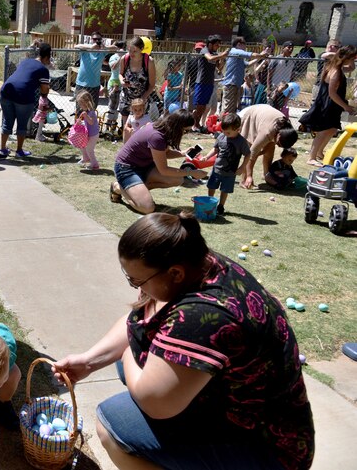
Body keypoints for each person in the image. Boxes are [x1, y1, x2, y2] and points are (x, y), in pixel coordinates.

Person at [52, 212, 314, 470]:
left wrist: (127, 353)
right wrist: (89, 362)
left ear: (174, 273)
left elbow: (154, 403)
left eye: (136, 280)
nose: (134, 286)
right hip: (250, 416)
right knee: (133, 364)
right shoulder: (197, 263)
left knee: (112, 422)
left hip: (268, 450)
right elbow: (140, 320)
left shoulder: (201, 315)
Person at [110, 110, 207, 214]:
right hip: (126, 168)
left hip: (145, 166)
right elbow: (164, 170)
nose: (185, 133)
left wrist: (182, 153)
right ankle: (118, 187)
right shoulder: (156, 136)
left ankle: (137, 190)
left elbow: (164, 153)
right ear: (178, 127)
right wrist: (191, 173)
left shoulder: (163, 129)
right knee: (148, 208)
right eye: (185, 130)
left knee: (177, 179)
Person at [300, 45, 357, 167]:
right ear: (345, 58)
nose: (353, 60)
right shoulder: (335, 71)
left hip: (333, 106)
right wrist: (346, 107)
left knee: (332, 129)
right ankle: (311, 157)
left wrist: (351, 59)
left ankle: (320, 152)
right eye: (351, 57)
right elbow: (332, 93)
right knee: (323, 131)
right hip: (328, 105)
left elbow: (351, 67)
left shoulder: (338, 67)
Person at [0, 42, 51, 158]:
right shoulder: (43, 70)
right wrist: (46, 91)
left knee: (7, 122)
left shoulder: (26, 61)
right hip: (23, 96)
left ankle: (2, 149)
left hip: (6, 91)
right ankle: (19, 151)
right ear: (47, 57)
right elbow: (44, 89)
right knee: (21, 125)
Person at [200, 113, 251, 215]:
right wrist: (207, 157)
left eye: (228, 132)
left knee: (225, 189)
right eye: (223, 131)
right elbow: (215, 149)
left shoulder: (241, 142)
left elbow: (248, 155)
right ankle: (211, 202)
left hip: (230, 172)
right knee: (211, 186)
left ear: (237, 129)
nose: (225, 134)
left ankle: (221, 206)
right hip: (216, 169)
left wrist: (242, 167)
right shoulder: (221, 137)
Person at [238, 104, 299, 189]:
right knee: (251, 150)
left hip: (266, 116)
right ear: (279, 135)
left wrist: (262, 152)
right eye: (279, 143)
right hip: (251, 114)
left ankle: (267, 175)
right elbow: (250, 155)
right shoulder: (266, 132)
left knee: (270, 149)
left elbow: (269, 148)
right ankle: (244, 180)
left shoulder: (288, 129)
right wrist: (249, 176)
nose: (278, 145)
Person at [191, 34, 229, 131]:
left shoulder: (215, 53)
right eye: (216, 45)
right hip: (201, 82)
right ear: (210, 44)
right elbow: (210, 58)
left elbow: (219, 68)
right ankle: (193, 125)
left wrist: (223, 60)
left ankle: (198, 125)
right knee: (199, 106)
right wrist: (222, 55)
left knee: (203, 106)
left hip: (209, 83)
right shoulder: (205, 50)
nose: (218, 47)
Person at [221, 36, 267, 114]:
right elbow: (250, 54)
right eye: (244, 45)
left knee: (232, 109)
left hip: (235, 85)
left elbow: (248, 64)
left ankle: (228, 125)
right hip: (230, 85)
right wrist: (261, 54)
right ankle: (221, 125)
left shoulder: (239, 56)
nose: (245, 47)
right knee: (227, 109)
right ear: (239, 44)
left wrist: (260, 57)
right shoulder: (235, 51)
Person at [118, 37, 156, 125]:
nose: (131, 53)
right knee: (126, 126)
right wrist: (122, 81)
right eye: (129, 50)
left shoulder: (148, 61)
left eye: (134, 51)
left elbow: (152, 84)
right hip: (126, 98)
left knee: (139, 126)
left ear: (141, 49)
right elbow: (120, 74)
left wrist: (143, 98)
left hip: (141, 99)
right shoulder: (125, 59)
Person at [74, 32, 118, 107]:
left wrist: (105, 47)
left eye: (99, 39)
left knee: (92, 108)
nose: (96, 41)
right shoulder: (86, 50)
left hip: (94, 85)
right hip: (81, 84)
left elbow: (116, 48)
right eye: (94, 39)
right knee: (80, 108)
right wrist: (91, 47)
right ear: (91, 40)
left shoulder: (102, 52)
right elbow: (76, 46)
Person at [74, 90, 100, 170]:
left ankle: (94, 164)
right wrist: (79, 122)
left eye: (81, 104)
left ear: (87, 102)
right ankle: (85, 158)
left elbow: (91, 122)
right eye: (79, 104)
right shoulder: (85, 112)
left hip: (93, 134)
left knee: (89, 149)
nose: (80, 106)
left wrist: (86, 116)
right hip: (88, 134)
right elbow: (85, 123)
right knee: (82, 145)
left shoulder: (91, 112)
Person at [106, 41, 126, 127]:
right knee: (112, 106)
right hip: (114, 83)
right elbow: (113, 67)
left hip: (123, 83)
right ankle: (107, 126)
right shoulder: (113, 57)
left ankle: (114, 127)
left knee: (119, 107)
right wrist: (119, 58)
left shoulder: (126, 57)